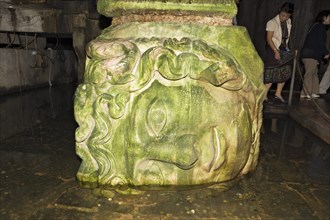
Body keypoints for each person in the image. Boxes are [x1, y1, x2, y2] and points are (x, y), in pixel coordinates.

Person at [263, 2, 295, 104]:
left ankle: (278, 94)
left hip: (282, 50)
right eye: (283, 15)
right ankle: (263, 96)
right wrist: (275, 51)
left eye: (287, 16)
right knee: (272, 74)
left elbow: (285, 37)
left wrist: (286, 48)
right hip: (272, 50)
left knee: (284, 72)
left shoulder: (288, 22)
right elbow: (269, 39)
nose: (284, 18)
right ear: (279, 12)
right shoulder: (272, 22)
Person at [300, 10, 330, 99]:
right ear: (324, 17)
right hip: (310, 54)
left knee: (314, 73)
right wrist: (326, 52)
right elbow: (320, 42)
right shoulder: (320, 27)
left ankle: (313, 91)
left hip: (312, 54)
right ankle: (305, 92)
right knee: (309, 73)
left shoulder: (316, 26)